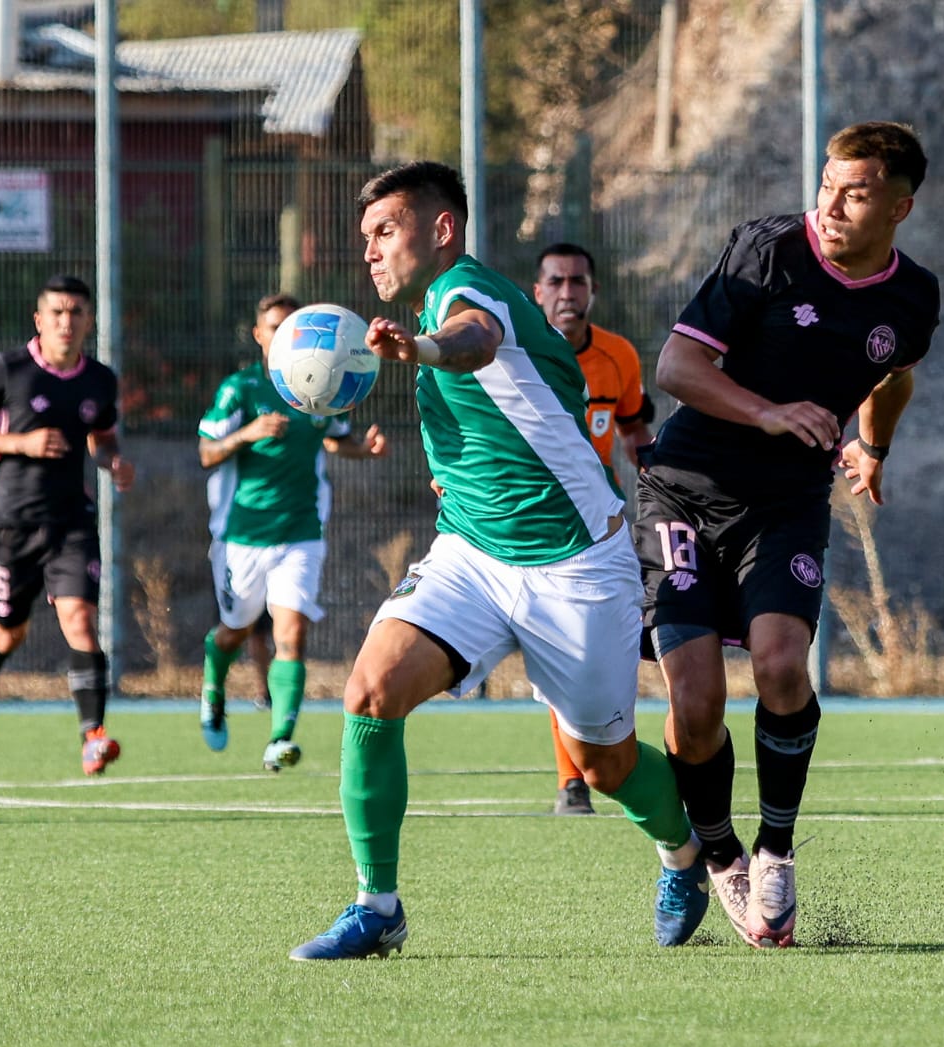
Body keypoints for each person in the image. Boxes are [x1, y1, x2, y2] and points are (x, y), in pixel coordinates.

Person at [289, 161, 708, 961]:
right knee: (370, 691)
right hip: (473, 557)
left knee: (604, 763)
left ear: (440, 229)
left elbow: (470, 344)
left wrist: (422, 346)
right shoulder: (429, 307)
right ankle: (377, 904)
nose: (370, 251)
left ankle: (684, 853)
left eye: (386, 230)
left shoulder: (464, 297)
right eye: (365, 237)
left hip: (577, 567)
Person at [634, 121, 940, 948]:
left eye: (857, 192)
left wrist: (873, 443)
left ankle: (774, 846)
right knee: (693, 703)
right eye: (827, 185)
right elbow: (675, 369)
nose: (832, 205)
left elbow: (894, 371)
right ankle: (720, 855)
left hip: (786, 504)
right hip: (683, 496)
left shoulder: (912, 298)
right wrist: (769, 412)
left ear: (900, 206)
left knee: (778, 664)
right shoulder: (765, 251)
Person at [0, 273, 136, 775]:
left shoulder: (100, 379)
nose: (66, 321)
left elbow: (103, 437)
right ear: (39, 319)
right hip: (11, 522)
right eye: (56, 312)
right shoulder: (8, 370)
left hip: (71, 521)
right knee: (10, 630)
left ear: (88, 320)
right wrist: (22, 444)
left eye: (76, 312)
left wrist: (113, 461)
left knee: (79, 620)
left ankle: (93, 737)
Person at [197, 292, 389, 771]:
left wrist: (362, 451)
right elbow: (206, 453)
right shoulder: (240, 389)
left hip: (302, 531)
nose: (282, 335)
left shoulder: (320, 382)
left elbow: (334, 438)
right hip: (241, 535)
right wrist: (248, 433)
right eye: (273, 327)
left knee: (292, 635)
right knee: (234, 631)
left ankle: (279, 738)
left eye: (291, 327)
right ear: (260, 336)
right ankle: (213, 686)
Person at [532, 242, 656, 816]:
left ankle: (597, 764)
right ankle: (568, 780)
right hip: (534, 519)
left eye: (577, 282)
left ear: (593, 291)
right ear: (537, 293)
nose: (566, 293)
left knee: (600, 648)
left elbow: (634, 431)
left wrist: (664, 486)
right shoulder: (519, 353)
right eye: (555, 282)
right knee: (561, 647)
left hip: (601, 522)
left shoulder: (618, 357)